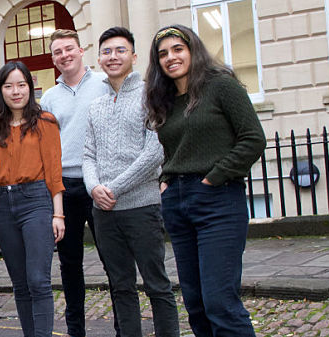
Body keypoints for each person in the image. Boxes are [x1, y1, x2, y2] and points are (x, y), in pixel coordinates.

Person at [144, 24, 265, 336]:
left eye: (177, 49)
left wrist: (214, 177)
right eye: (163, 54)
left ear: (192, 50)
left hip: (219, 201)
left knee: (220, 302)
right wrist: (166, 181)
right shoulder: (166, 100)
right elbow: (172, 151)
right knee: (196, 303)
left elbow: (253, 139)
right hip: (178, 203)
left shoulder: (221, 86)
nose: (170, 57)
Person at [82, 27, 179, 337]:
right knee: (120, 286)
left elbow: (155, 152)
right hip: (104, 213)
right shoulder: (95, 105)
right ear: (98, 58)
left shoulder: (151, 95)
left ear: (134, 56)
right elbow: (87, 155)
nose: (113, 57)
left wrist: (113, 188)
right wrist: (94, 187)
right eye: (107, 51)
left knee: (157, 285)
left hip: (141, 207)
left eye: (120, 50)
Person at [38, 29, 116, 337]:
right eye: (57, 52)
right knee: (70, 267)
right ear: (53, 58)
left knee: (113, 260)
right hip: (65, 187)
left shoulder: (104, 84)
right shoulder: (49, 98)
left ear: (81, 50)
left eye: (68, 49)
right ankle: (76, 331)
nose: (64, 56)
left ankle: (124, 327)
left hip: (100, 183)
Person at [0, 61, 65, 337]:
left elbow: (54, 171)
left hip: (36, 201)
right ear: (1, 91)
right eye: (9, 86)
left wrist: (58, 214)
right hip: (4, 207)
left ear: (30, 88)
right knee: (19, 283)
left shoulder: (45, 122)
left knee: (38, 280)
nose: (15, 92)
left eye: (21, 85)